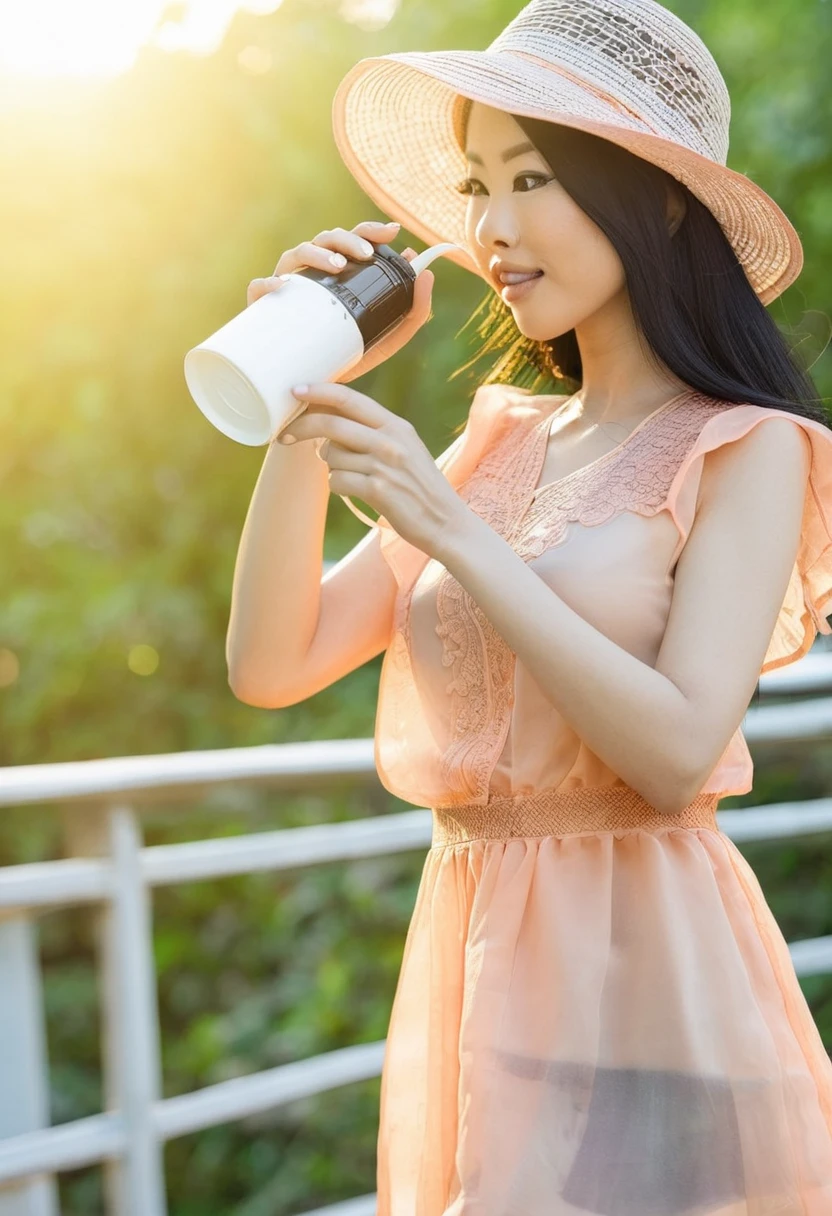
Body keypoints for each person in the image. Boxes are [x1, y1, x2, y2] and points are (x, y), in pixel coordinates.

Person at [227, 0, 832, 1210]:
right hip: (485, 975)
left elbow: (673, 751)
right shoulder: (498, 436)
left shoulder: (745, 446)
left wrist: (445, 527)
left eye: (532, 178)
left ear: (658, 199)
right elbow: (271, 661)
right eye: (475, 184)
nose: (488, 229)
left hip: (657, 983)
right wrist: (302, 392)